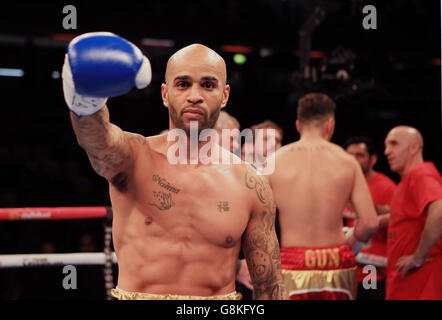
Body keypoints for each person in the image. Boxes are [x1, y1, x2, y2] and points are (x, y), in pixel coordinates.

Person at [62, 32, 287, 300]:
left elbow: (270, 288)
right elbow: (95, 139)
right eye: (183, 84)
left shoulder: (251, 184)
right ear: (165, 94)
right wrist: (85, 98)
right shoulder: (133, 158)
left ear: (224, 95)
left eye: (207, 84)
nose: (195, 96)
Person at [268, 93, 379, 300]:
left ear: (298, 125)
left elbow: (256, 223)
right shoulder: (347, 162)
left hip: (291, 263)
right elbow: (371, 223)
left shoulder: (274, 161)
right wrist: (351, 244)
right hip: (336, 261)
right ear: (330, 124)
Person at [384, 126, 442, 300]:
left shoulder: (420, 173)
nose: (387, 151)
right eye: (386, 146)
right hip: (406, 282)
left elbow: (440, 211)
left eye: (394, 144)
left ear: (414, 147)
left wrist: (418, 257)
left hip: (419, 284)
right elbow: (406, 218)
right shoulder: (408, 180)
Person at [343, 136, 397, 300]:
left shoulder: (387, 187)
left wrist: (378, 215)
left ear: (372, 159)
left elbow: (402, 219)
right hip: (345, 263)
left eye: (359, 155)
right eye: (349, 155)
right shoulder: (339, 183)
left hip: (372, 266)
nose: (353, 160)